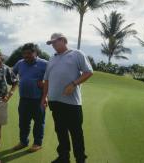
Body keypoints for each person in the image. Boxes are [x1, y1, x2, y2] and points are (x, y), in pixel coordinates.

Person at [42, 33, 93, 163]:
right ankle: (64, 157)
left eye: (55, 42)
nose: (53, 45)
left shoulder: (77, 54)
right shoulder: (51, 59)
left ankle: (80, 159)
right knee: (60, 131)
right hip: (55, 101)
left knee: (76, 132)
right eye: (51, 43)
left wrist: (74, 84)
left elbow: (89, 72)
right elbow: (47, 80)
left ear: (63, 40)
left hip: (72, 103)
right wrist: (44, 97)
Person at [12, 43, 47, 152]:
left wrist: (45, 86)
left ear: (36, 52)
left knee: (39, 122)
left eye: (29, 53)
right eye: (24, 53)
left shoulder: (45, 64)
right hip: (24, 99)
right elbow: (11, 74)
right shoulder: (20, 63)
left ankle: (37, 143)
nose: (26, 56)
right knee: (23, 122)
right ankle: (23, 142)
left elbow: (52, 79)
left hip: (38, 99)